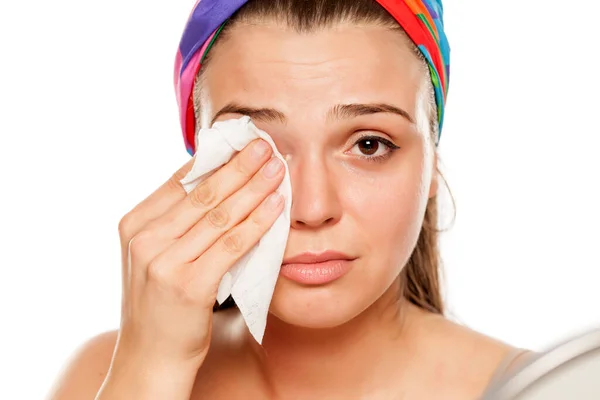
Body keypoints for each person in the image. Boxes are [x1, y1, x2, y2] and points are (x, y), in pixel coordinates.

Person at [47, 0, 535, 399]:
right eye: (257, 147)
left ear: (432, 162)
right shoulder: (103, 379)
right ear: (202, 168)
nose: (312, 208)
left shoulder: (536, 391)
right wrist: (148, 371)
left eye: (369, 145)